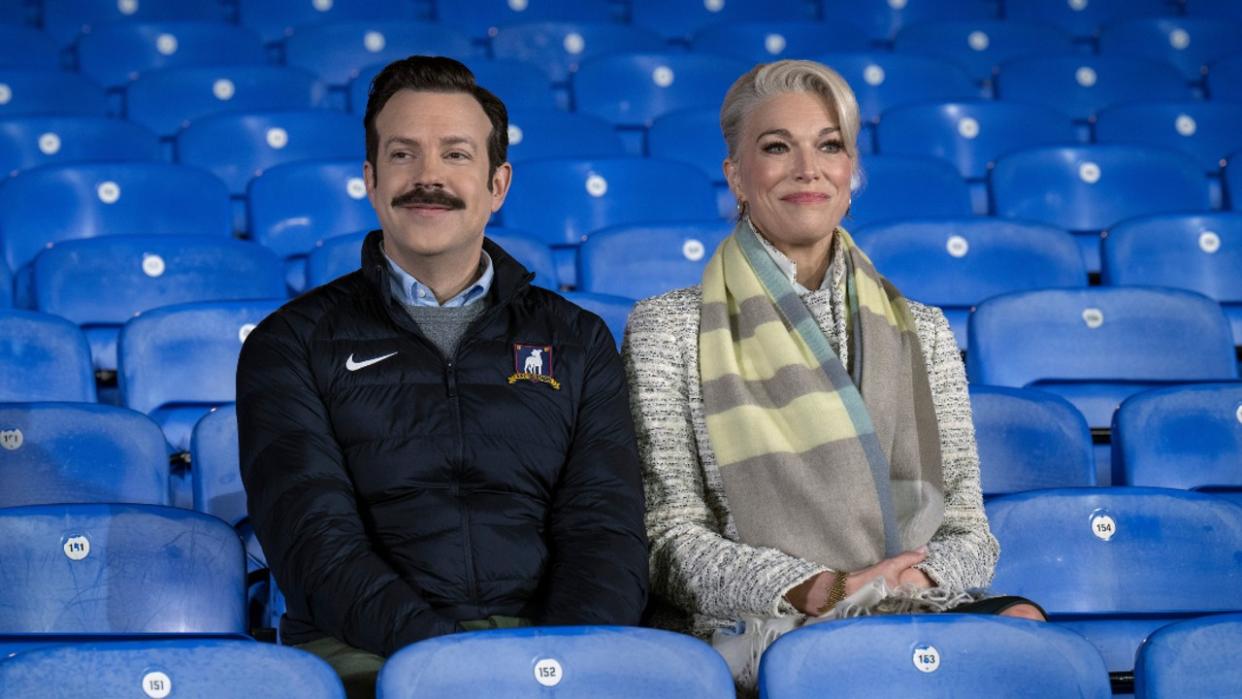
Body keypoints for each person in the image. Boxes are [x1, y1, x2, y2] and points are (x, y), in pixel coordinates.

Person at [622, 59, 1042, 689]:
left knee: (1025, 629)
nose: (806, 168)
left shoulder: (922, 329)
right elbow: (669, 542)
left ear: (851, 175)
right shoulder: (667, 328)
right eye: (775, 148)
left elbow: (967, 529)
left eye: (829, 146)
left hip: (905, 607)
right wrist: (826, 589)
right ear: (736, 175)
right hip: (756, 625)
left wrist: (908, 581)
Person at [237, 56, 648, 698]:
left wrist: (559, 662)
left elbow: (606, 530)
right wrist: (454, 666)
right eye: (403, 155)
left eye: (455, 154)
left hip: (555, 655)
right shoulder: (289, 343)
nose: (428, 177)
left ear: (498, 183)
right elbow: (314, 542)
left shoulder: (578, 340)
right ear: (371, 180)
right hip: (367, 655)